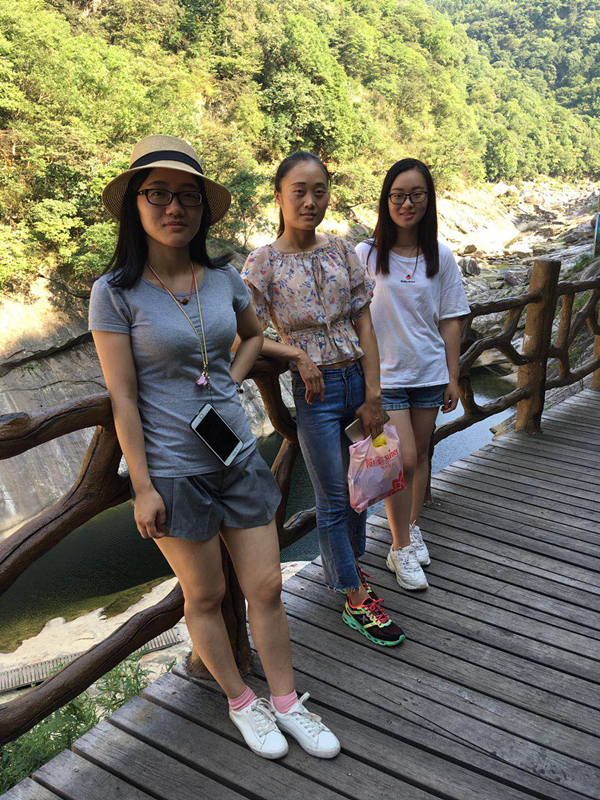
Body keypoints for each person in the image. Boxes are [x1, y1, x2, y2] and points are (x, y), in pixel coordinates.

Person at [89, 135, 340, 760]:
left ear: (203, 209)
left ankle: (288, 701)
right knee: (204, 596)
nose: (175, 207)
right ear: (136, 204)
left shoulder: (224, 276)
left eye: (188, 197)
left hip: (236, 458)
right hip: (174, 472)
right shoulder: (115, 292)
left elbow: (252, 334)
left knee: (267, 587)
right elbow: (123, 398)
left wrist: (233, 376)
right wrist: (142, 486)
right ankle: (241, 701)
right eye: (158, 194)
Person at [241, 151, 405, 647]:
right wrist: (293, 352)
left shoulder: (341, 250)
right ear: (279, 196)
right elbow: (245, 335)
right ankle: (354, 598)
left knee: (363, 489)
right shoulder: (263, 262)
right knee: (333, 498)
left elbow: (364, 323)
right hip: (316, 392)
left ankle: (351, 570)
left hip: (357, 380)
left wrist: (373, 393)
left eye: (319, 191)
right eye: (299, 191)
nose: (310, 201)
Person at [355, 158, 470, 589]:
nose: (407, 204)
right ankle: (399, 547)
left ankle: (411, 527)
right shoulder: (366, 254)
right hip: (384, 378)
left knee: (421, 455)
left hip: (429, 372)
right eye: (399, 195)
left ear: (428, 199)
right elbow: (352, 314)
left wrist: (452, 376)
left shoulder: (440, 255)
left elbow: (451, 320)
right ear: (386, 200)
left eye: (416, 195)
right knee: (399, 461)